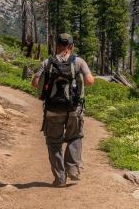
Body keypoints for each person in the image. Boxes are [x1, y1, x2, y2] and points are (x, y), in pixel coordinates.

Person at [32, 33, 95, 187]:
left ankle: (60, 178)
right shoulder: (79, 61)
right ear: (71, 46)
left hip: (53, 109)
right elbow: (89, 81)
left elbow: (35, 83)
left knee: (54, 143)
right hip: (74, 109)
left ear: (56, 45)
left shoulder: (47, 62)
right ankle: (73, 169)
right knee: (75, 137)